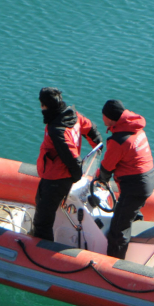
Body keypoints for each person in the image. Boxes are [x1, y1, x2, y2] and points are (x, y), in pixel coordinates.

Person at [31, 87, 103, 241]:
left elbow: (70, 156)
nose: (41, 108)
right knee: (41, 203)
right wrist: (98, 145)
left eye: (42, 105)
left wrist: (75, 176)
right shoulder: (74, 116)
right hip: (56, 175)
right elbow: (90, 128)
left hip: (56, 178)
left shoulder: (57, 129)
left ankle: (43, 253)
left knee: (41, 222)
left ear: (47, 105)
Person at [97, 99, 154, 259]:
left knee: (118, 229)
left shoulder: (119, 141)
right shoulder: (136, 129)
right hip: (147, 180)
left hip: (134, 186)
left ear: (109, 118)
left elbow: (106, 168)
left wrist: (99, 180)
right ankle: (136, 253)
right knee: (131, 214)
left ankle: (115, 265)